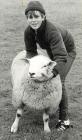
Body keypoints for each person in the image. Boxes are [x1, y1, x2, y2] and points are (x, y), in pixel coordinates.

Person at [24, 1, 76, 131]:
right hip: (53, 52)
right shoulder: (29, 31)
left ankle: (64, 120)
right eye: (30, 17)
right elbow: (31, 51)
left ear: (43, 16)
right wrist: (33, 67)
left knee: (58, 80)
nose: (33, 20)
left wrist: (53, 72)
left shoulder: (51, 31)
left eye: (36, 16)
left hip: (67, 52)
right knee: (42, 76)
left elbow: (62, 57)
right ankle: (47, 105)